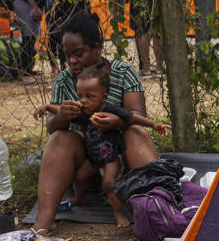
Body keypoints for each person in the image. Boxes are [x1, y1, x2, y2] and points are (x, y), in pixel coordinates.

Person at [32, 11, 159, 235]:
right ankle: (44, 221)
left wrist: (117, 121)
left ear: (97, 49)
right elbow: (52, 127)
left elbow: (137, 113)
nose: (72, 61)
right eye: (67, 55)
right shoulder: (63, 79)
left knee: (134, 131)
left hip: (122, 156)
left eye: (79, 54)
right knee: (60, 138)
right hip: (89, 157)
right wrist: (63, 115)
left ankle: (157, 206)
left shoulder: (123, 72)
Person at [33, 61, 170, 227]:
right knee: (79, 177)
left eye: (89, 97)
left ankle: (118, 213)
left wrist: (154, 125)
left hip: (110, 156)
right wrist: (48, 107)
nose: (83, 101)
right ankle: (79, 197)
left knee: (108, 183)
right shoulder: (84, 112)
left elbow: (132, 117)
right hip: (93, 156)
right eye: (80, 96)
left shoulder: (110, 110)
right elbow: (61, 111)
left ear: (103, 97)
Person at [44, 0, 87, 74]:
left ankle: (75, 64)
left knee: (76, 34)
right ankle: (59, 66)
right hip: (58, 2)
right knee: (57, 36)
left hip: (77, 2)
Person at [12, 0, 45, 84]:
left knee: (31, 38)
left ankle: (29, 71)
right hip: (25, 3)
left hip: (32, 4)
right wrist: (34, 7)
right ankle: (26, 75)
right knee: (28, 37)